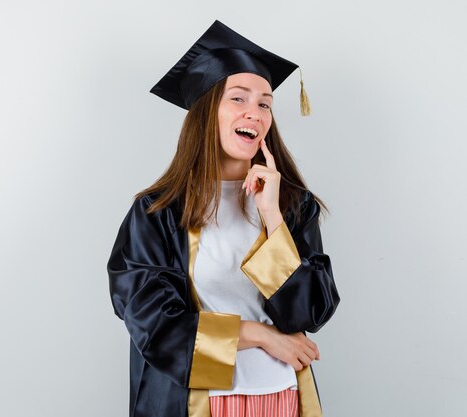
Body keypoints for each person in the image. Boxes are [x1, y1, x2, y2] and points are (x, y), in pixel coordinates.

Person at [107, 20, 340, 417]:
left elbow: (308, 315)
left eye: (265, 103)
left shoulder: (292, 205)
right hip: (197, 403)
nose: (255, 112)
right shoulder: (158, 213)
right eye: (239, 99)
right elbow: (153, 326)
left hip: (283, 398)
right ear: (205, 111)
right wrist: (259, 335)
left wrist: (271, 216)